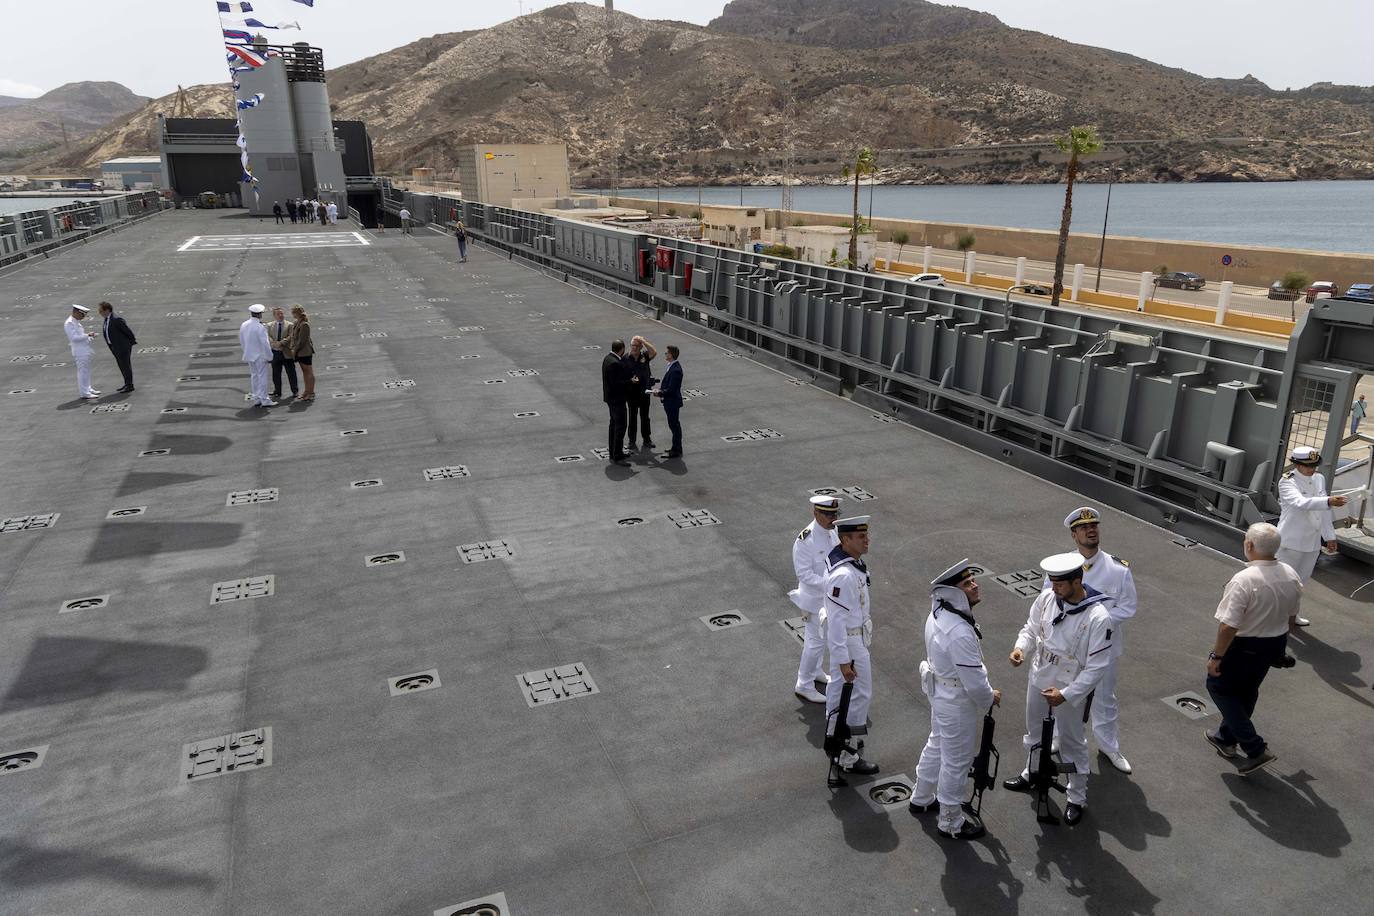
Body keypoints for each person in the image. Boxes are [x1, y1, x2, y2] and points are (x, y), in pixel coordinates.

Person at [1004, 552, 1113, 826]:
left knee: (1071, 742)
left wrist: (1066, 695)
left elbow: (1097, 667)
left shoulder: (1098, 618)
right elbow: (1031, 629)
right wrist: (1021, 648)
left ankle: (1076, 797)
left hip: (1070, 685)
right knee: (1034, 731)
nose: (1054, 589)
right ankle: (1032, 771)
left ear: (1077, 581)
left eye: (1060, 584)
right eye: (1052, 583)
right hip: (1041, 674)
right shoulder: (1047, 599)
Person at [910, 559, 1000, 840]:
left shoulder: (938, 613)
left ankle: (922, 796)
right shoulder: (959, 631)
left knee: (937, 743)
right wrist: (989, 698)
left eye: (973, 580)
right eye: (966, 584)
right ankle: (950, 821)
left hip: (941, 694)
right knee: (957, 760)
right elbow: (974, 682)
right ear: (954, 593)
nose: (974, 586)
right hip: (956, 700)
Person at [1204, 522, 1300, 776]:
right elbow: (1292, 614)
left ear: (1249, 545)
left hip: (1246, 645)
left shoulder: (1244, 580)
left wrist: (1217, 656)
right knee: (1247, 692)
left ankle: (1255, 749)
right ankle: (1225, 738)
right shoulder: (1291, 573)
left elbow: (1228, 626)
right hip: (1275, 641)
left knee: (1218, 688)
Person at [1057, 507, 1137, 774]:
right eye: (1083, 527)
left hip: (1104, 646)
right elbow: (1049, 601)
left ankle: (1108, 745)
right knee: (1065, 693)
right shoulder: (1062, 566)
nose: (1091, 530)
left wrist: (1096, 625)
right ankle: (1059, 736)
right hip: (1069, 647)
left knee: (1105, 698)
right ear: (1074, 534)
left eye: (1094, 526)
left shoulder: (1117, 569)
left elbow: (1127, 607)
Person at [824, 515, 880, 778]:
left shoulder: (852, 565)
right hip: (849, 641)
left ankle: (839, 746)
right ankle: (847, 753)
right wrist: (843, 660)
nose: (866, 540)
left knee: (841, 695)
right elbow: (835, 622)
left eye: (866, 535)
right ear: (845, 540)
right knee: (858, 695)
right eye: (860, 537)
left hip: (854, 639)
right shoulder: (843, 576)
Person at [1276, 446, 1346, 626]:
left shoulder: (1319, 479)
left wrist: (1329, 536)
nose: (1311, 469)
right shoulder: (1287, 482)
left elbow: (1323, 513)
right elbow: (1301, 503)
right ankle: (1274, 617)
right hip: (1291, 542)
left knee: (1300, 583)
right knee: (1283, 583)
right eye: (1307, 466)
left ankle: (1292, 615)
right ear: (1296, 464)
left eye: (1314, 465)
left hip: (1312, 543)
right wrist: (1328, 501)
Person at [788, 495, 842, 704]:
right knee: (814, 643)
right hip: (813, 601)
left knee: (821, 642)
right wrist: (832, 585)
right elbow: (804, 575)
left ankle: (816, 671)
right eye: (827, 514)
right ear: (815, 513)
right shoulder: (805, 540)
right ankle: (804, 684)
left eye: (834, 514)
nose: (832, 518)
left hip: (829, 599)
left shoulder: (833, 532)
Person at [601, 339, 633, 465]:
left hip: (610, 398)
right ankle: (618, 455)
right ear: (622, 349)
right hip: (617, 399)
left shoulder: (607, 358)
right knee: (620, 426)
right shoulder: (616, 363)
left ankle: (614, 452)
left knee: (613, 425)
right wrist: (631, 381)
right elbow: (617, 384)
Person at [625, 335, 657, 452]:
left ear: (640, 347)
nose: (633, 348)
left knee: (645, 417)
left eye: (636, 346)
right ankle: (631, 441)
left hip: (644, 392)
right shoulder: (626, 358)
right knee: (632, 417)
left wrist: (644, 341)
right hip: (632, 393)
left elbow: (654, 352)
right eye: (632, 345)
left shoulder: (644, 356)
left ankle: (646, 438)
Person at [239, 304, 275, 408]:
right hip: (260, 355)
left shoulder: (244, 325)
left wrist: (246, 351)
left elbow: (242, 340)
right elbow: (265, 343)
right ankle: (265, 399)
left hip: (249, 354)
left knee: (254, 376)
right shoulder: (260, 327)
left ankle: (257, 398)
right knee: (262, 377)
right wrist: (270, 356)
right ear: (259, 314)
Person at [97, 301, 137, 393]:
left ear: (107, 310)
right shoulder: (107, 319)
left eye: (101, 311)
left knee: (126, 366)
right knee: (121, 365)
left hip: (122, 347)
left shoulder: (116, 319)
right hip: (114, 347)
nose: (100, 313)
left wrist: (129, 343)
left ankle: (130, 385)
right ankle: (127, 383)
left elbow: (128, 331)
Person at [653, 345, 684, 459]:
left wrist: (660, 393)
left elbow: (671, 389)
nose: (665, 354)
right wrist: (660, 390)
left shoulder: (675, 370)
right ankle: (676, 447)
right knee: (674, 425)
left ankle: (676, 449)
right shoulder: (672, 366)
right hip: (670, 401)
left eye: (667, 353)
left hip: (672, 402)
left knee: (674, 426)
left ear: (671, 354)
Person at [64, 304, 99, 399]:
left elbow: (80, 335)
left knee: (86, 371)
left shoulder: (76, 322)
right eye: (82, 314)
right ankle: (84, 393)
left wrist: (90, 337)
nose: (83, 317)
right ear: (75, 312)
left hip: (84, 349)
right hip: (79, 351)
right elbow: (74, 338)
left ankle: (88, 388)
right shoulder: (69, 323)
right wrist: (87, 335)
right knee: (82, 371)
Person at [265, 306, 298, 400]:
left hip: (286, 352)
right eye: (278, 314)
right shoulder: (269, 325)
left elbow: (291, 336)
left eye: (282, 313)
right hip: (275, 353)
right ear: (274, 316)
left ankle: (295, 390)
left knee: (291, 373)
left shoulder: (290, 325)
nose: (281, 315)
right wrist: (274, 344)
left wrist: (281, 343)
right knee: (276, 373)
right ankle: (277, 391)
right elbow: (268, 336)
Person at [286, 305, 316, 401]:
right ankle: (306, 391)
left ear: (297, 313)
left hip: (305, 352)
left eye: (293, 312)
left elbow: (302, 340)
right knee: (304, 372)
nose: (292, 314)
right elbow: (293, 336)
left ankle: (311, 392)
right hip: (299, 352)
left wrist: (294, 350)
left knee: (309, 372)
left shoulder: (304, 324)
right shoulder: (296, 322)